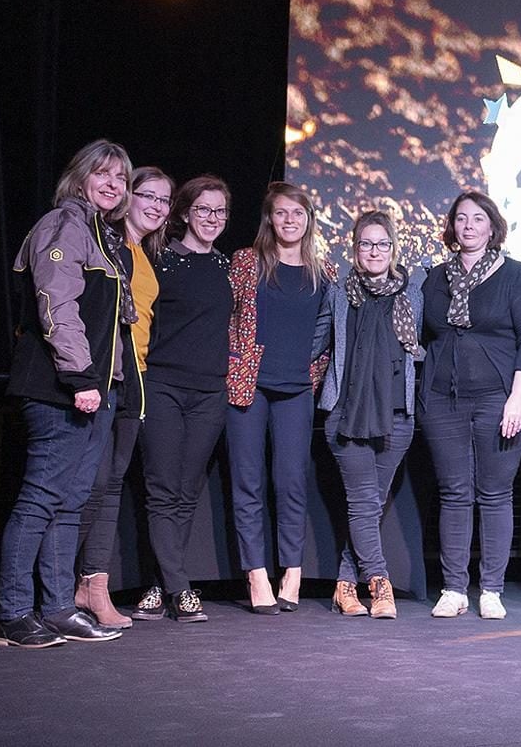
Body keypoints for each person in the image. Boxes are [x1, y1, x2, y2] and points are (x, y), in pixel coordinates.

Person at [0, 139, 132, 647]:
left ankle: (55, 609)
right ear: (80, 177)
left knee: (70, 503)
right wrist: (80, 378)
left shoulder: (103, 235)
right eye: (104, 174)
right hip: (57, 388)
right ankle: (13, 612)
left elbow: (112, 324)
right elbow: (56, 304)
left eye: (121, 178)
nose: (114, 184)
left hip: (94, 388)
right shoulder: (65, 224)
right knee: (39, 500)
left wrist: (109, 384)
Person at [419, 191, 521, 620]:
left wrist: (517, 398)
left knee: (494, 494)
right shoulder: (435, 277)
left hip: (500, 399)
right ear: (452, 226)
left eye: (477, 218)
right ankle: (453, 588)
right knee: (454, 493)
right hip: (442, 399)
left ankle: (491, 589)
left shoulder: (515, 276)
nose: (468, 225)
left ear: (492, 226)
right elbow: (423, 335)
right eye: (460, 219)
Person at [74, 166, 173, 630]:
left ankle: (94, 586)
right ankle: (62, 586)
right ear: (127, 196)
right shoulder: (108, 246)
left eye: (165, 200)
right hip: (107, 376)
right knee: (90, 486)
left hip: (136, 378)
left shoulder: (142, 253)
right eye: (147, 195)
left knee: (111, 484)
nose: (156, 205)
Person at [316, 210, 425, 620]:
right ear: (355, 249)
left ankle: (345, 587)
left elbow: (419, 346)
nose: (374, 251)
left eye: (382, 244)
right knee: (364, 504)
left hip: (398, 416)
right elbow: (318, 340)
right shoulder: (339, 293)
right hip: (347, 415)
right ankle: (381, 586)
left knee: (370, 505)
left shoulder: (412, 293)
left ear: (393, 248)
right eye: (366, 243)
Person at [134, 175, 233, 623]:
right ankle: (180, 588)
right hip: (163, 387)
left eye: (220, 211)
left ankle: (160, 584)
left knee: (187, 493)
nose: (212, 218)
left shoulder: (227, 268)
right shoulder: (161, 261)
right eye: (204, 210)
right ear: (185, 213)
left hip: (210, 392)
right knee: (162, 489)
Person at [226, 182, 328, 614]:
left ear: (308, 220)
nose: (289, 220)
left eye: (297, 213)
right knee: (248, 482)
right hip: (249, 384)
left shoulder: (324, 272)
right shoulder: (247, 262)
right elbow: (223, 317)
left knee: (290, 482)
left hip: (298, 388)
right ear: (270, 218)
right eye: (281, 213)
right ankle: (255, 574)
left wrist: (314, 375)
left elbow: (328, 333)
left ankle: (292, 570)